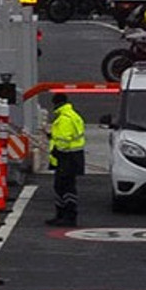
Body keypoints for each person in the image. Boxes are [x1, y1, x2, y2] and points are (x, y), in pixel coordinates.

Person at [46, 92, 87, 227]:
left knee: (64, 187)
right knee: (62, 186)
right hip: (74, 157)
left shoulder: (64, 119)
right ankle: (62, 215)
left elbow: (64, 140)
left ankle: (68, 216)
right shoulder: (74, 116)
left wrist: (56, 150)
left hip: (66, 158)